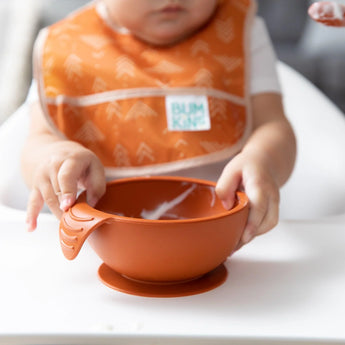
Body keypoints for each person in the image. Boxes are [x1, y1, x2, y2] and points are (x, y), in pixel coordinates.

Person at [21, 0, 296, 248]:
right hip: (96, 241)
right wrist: (54, 158)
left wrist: (263, 159)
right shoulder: (65, 46)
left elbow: (272, 123)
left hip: (222, 240)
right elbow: (39, 140)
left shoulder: (241, 32)